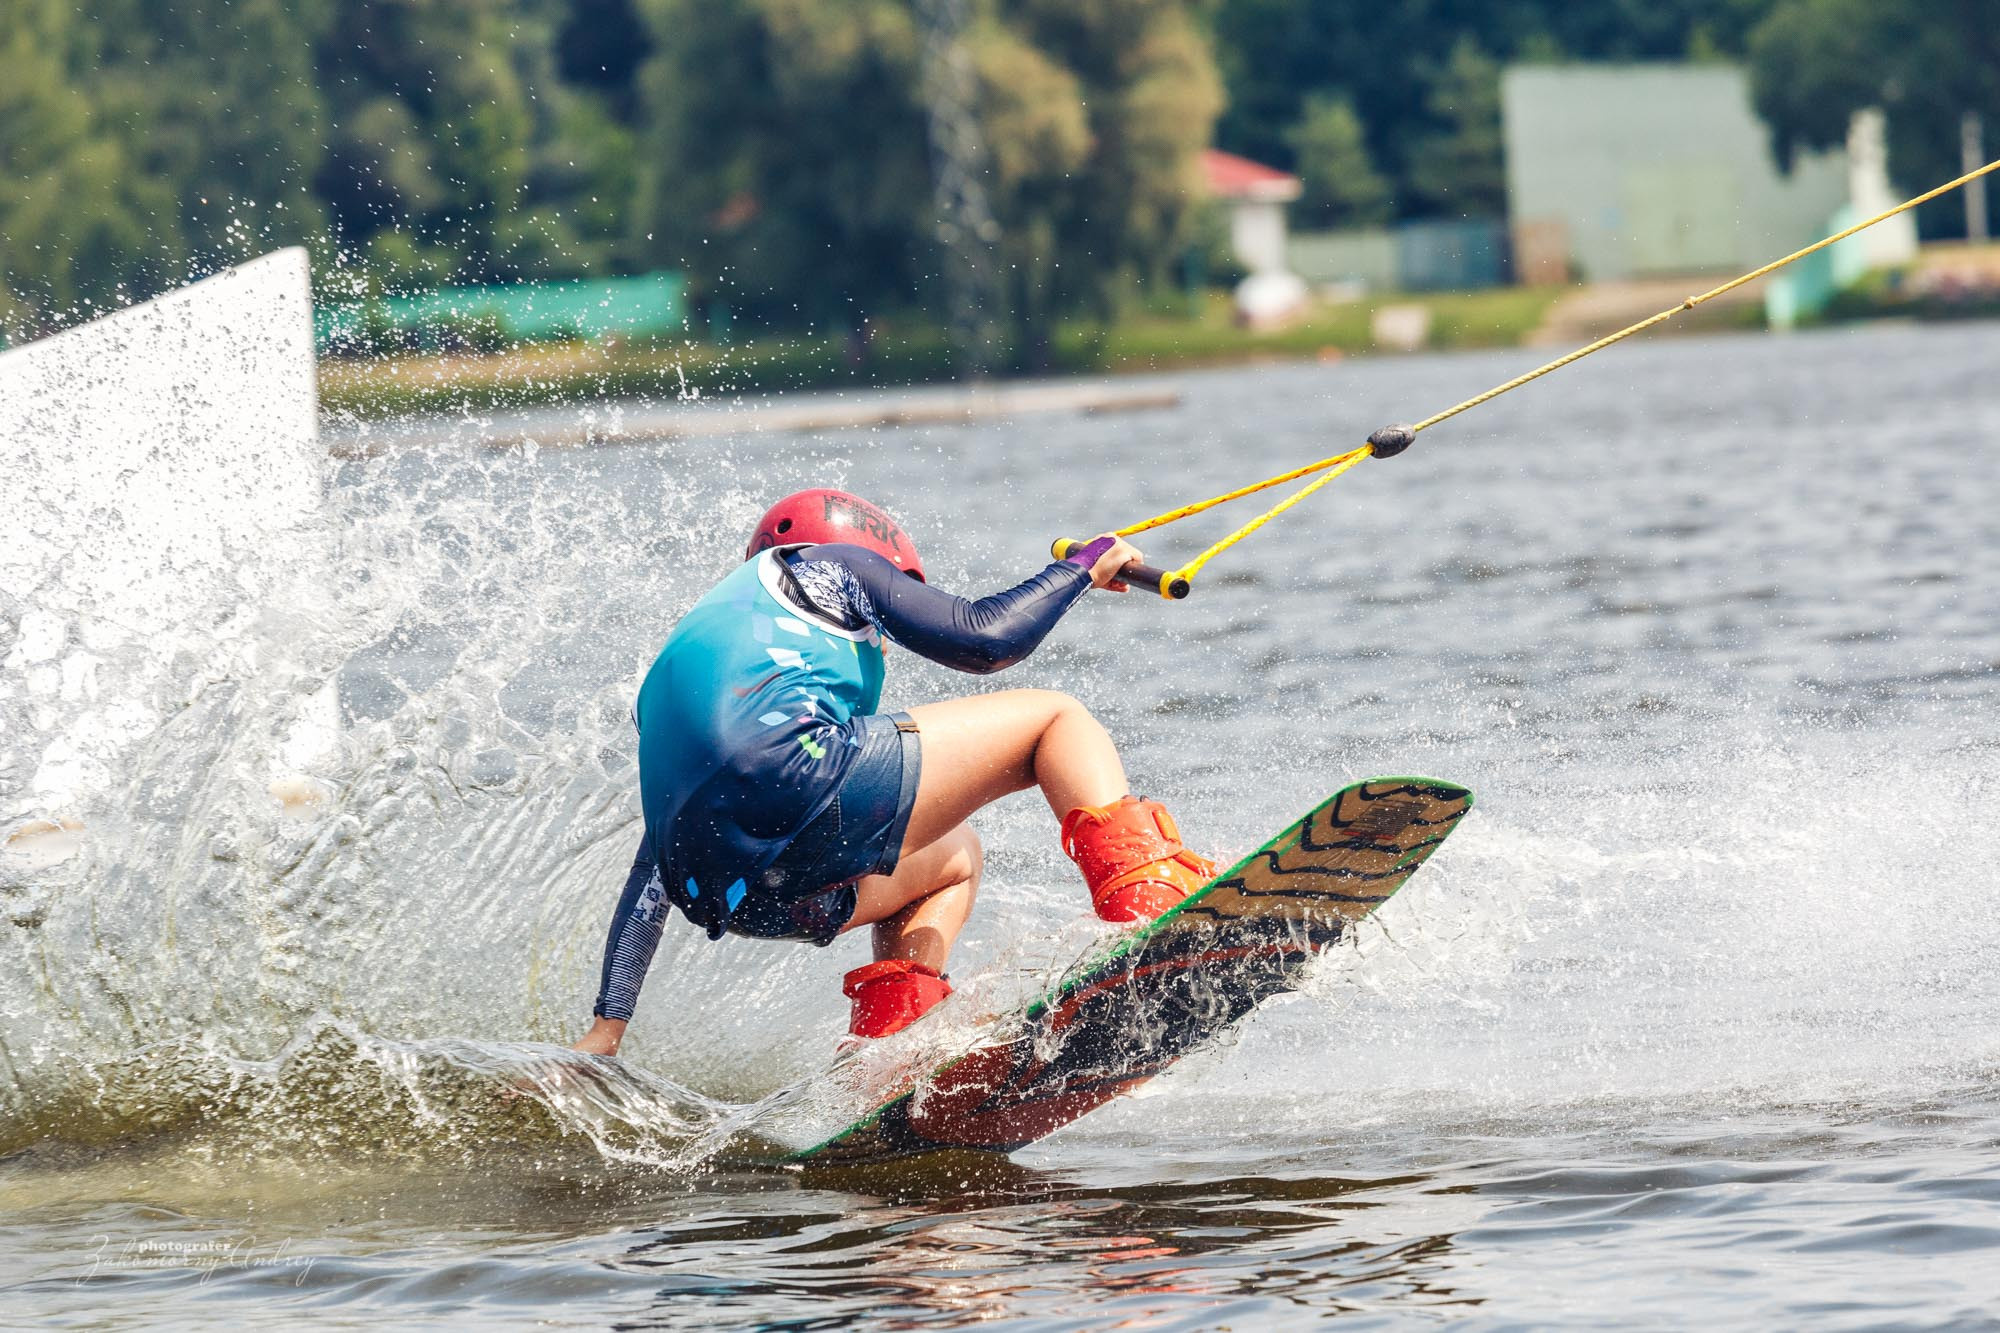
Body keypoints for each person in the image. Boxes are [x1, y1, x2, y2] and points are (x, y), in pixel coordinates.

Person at [570, 489, 1214, 1056]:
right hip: (798, 789)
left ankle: (894, 1047)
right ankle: (1149, 912)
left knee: (954, 857)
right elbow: (985, 640)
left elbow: (654, 866)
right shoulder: (832, 565)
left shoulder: (713, 651)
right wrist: (1079, 569)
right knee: (1056, 719)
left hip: (745, 898)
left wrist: (609, 1024)